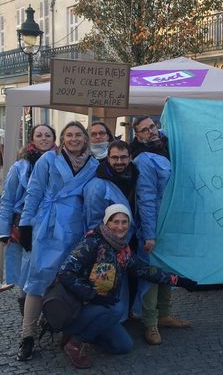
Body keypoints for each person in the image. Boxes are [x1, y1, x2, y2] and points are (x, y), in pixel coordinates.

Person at [58, 204, 200, 369]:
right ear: (107, 223)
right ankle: (75, 343)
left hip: (102, 308)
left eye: (124, 222)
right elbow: (64, 273)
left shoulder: (122, 250)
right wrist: (91, 295)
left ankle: (82, 333)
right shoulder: (92, 243)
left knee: (123, 346)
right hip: (80, 306)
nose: (120, 226)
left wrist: (180, 281)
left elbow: (145, 271)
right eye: (115, 222)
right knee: (116, 309)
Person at [16, 121, 98, 361]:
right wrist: (25, 225)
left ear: (85, 139)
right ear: (62, 138)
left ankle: (63, 327)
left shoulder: (93, 164)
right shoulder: (48, 160)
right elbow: (34, 192)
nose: (74, 139)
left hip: (75, 227)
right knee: (38, 278)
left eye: (78, 135)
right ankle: (27, 335)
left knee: (69, 279)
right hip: (47, 225)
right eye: (69, 135)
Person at [130, 116, 189, 345]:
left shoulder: (166, 146)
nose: (150, 131)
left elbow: (178, 125)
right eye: (144, 130)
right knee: (152, 275)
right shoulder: (144, 159)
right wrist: (149, 234)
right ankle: (150, 323)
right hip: (154, 224)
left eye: (152, 126)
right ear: (138, 136)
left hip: (172, 221)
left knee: (166, 269)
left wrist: (172, 108)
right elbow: (145, 198)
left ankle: (164, 314)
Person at [0, 125, 57, 311]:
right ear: (32, 139)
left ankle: (48, 310)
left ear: (54, 139)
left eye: (48, 135)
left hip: (52, 223)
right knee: (26, 268)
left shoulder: (61, 162)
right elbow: (7, 199)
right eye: (39, 135)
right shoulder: (20, 167)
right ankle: (27, 313)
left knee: (49, 266)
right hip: (25, 224)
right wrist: (3, 230)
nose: (44, 138)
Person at [83, 140, 139, 316]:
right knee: (106, 284)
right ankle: (106, 320)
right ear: (108, 158)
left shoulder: (136, 176)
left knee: (129, 280)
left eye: (123, 157)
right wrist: (103, 246)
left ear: (130, 158)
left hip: (130, 238)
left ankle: (123, 316)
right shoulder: (97, 184)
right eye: (115, 157)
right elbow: (94, 220)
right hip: (108, 245)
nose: (119, 161)